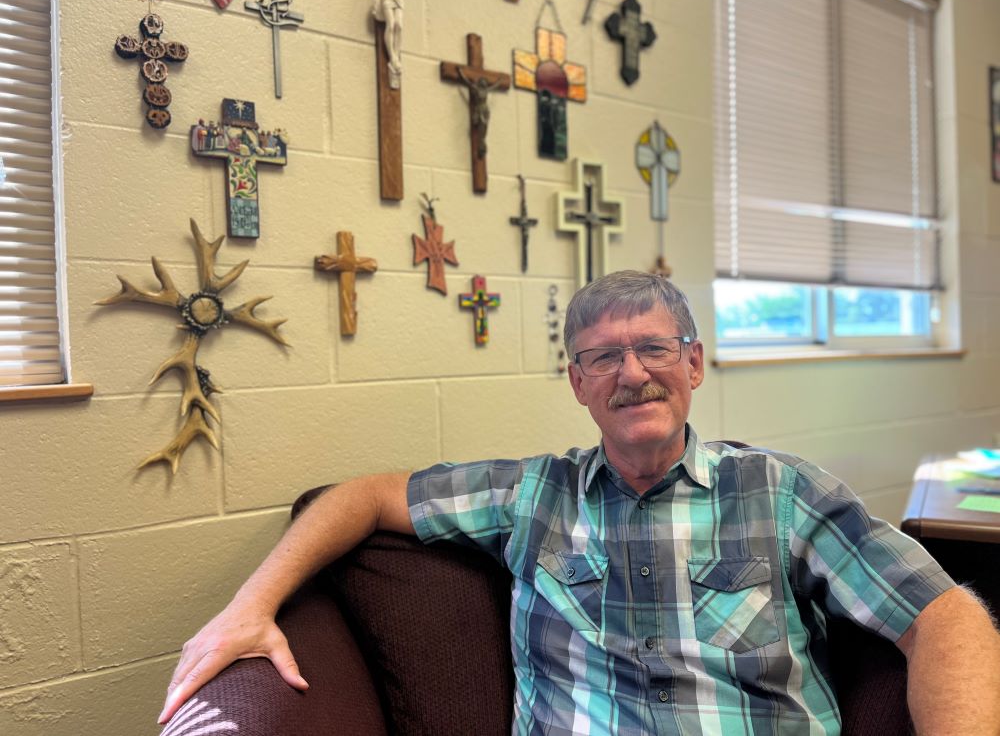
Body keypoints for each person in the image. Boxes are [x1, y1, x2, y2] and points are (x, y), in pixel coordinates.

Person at [159, 271, 1000, 734]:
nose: (632, 372)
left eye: (653, 349)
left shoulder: (782, 493)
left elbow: (943, 616)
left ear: (695, 365)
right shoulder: (531, 495)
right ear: (578, 385)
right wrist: (250, 605)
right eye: (603, 358)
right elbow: (360, 497)